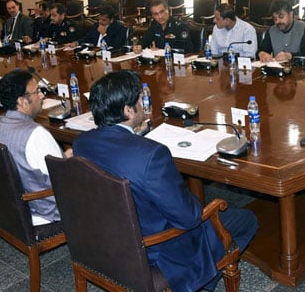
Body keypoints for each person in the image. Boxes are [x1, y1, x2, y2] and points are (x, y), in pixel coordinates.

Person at [73, 70, 258, 291]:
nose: (143, 103)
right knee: (246, 219)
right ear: (127, 110)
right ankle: (202, 282)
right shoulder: (151, 155)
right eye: (140, 100)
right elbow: (188, 218)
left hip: (105, 238)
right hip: (153, 248)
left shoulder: (81, 143)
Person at [0, 69, 69, 225]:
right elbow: (62, 177)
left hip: (9, 206)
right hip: (42, 212)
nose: (42, 95)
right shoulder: (36, 134)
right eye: (37, 91)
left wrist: (64, 157)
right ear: (22, 101)